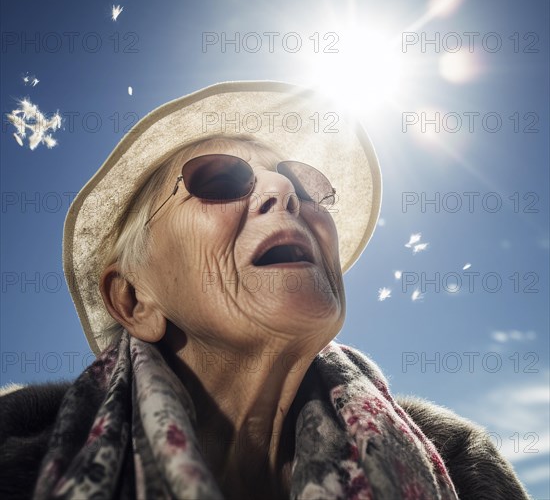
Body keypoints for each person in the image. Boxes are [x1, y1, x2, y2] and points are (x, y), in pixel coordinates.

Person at [1, 82, 530, 500]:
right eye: (218, 180)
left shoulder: (460, 462)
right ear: (133, 299)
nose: (283, 192)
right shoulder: (12, 446)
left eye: (303, 184)